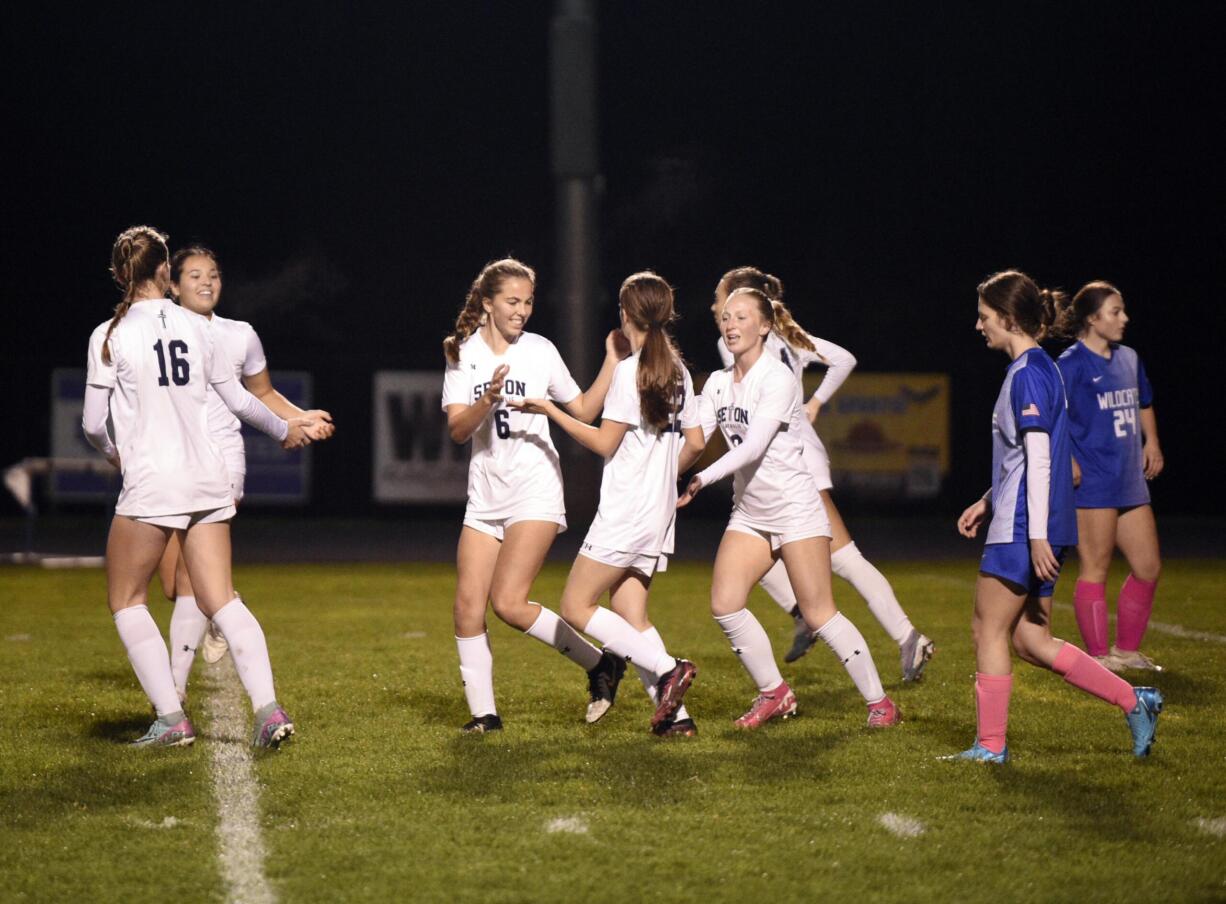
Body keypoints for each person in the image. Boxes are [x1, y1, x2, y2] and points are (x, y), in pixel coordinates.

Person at [82, 226, 324, 747]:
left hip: (153, 481)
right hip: (208, 477)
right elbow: (237, 400)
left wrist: (115, 456)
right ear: (167, 272)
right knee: (222, 600)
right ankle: (270, 711)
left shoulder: (110, 333)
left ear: (122, 274)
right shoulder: (199, 329)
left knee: (127, 599)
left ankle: (171, 719)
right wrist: (286, 430)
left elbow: (92, 425)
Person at [949, 270, 1162, 764]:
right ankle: (1136, 701)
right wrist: (987, 499)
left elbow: (1042, 459)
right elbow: (1025, 457)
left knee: (988, 629)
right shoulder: (1040, 368)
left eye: (984, 317)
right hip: (1029, 519)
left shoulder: (1028, 373)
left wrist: (1037, 535)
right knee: (1031, 640)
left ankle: (991, 746)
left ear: (1006, 317)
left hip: (1025, 526)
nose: (979, 325)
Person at [679, 286, 899, 729]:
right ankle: (774, 693)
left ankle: (881, 703)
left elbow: (755, 446)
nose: (732, 324)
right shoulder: (719, 383)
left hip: (796, 509)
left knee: (818, 614)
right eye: (726, 317)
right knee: (725, 603)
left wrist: (703, 477)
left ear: (764, 326)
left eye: (742, 317)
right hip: (751, 513)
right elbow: (692, 442)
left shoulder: (777, 378)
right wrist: (657, 474)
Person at [712, 267, 933, 680]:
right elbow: (842, 359)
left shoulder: (739, 346)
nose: (716, 307)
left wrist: (813, 405)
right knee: (754, 557)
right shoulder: (781, 337)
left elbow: (840, 362)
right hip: (781, 462)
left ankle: (905, 636)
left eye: (721, 298)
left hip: (791, 463)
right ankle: (805, 614)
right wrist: (812, 403)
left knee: (844, 559)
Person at [512, 272, 705, 737]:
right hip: (657, 514)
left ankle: (668, 668)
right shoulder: (677, 369)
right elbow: (696, 444)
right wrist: (664, 478)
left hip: (625, 512)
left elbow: (603, 444)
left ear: (625, 313)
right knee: (632, 616)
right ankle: (676, 719)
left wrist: (551, 411)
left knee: (577, 605)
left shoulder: (631, 371)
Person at [441, 258, 628, 733]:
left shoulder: (539, 350)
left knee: (507, 602)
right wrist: (487, 398)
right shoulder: (463, 353)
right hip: (485, 494)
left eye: (527, 302)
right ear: (487, 303)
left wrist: (612, 359)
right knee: (466, 607)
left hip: (535, 489)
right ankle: (485, 715)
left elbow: (583, 407)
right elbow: (459, 431)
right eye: (512, 301)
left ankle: (598, 663)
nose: (522, 310)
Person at [156, 246, 335, 699]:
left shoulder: (239, 335)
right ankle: (223, 610)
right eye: (194, 275)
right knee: (173, 583)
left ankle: (173, 693)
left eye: (213, 274)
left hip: (220, 461)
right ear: (172, 285)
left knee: (186, 582)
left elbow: (262, 393)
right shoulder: (155, 333)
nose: (206, 282)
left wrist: (300, 416)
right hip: (168, 461)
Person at [1054, 281, 1164, 672]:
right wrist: (1065, 459)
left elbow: (1143, 401)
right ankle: (1099, 658)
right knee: (1095, 568)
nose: (1124, 318)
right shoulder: (1069, 364)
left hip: (1129, 478)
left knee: (1148, 566)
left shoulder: (1129, 359)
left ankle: (1127, 651)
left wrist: (1152, 442)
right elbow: (1053, 418)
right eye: (1115, 311)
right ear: (1092, 319)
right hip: (1094, 482)